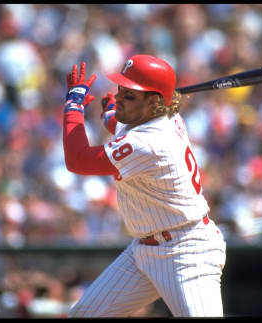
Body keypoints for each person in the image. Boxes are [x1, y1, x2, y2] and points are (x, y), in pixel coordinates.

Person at [62, 54, 226, 317]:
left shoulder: (149, 142)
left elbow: (78, 160)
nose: (118, 98)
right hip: (144, 251)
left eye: (129, 95)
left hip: (187, 251)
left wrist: (73, 107)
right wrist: (111, 114)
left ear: (154, 102)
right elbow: (122, 126)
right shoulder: (160, 119)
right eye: (121, 90)